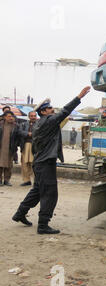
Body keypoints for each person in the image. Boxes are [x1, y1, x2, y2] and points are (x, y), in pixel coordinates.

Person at [12, 87, 91, 233]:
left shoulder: (38, 123)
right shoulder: (47, 121)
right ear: (42, 112)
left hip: (40, 162)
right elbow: (65, 111)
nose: (51, 109)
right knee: (50, 193)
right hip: (45, 163)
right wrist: (79, 97)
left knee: (37, 191)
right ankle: (43, 225)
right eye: (48, 108)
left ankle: (20, 213)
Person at [0, 111, 22, 186]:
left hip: (11, 148)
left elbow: (18, 136)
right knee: (0, 165)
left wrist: (16, 145)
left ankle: (6, 180)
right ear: (4, 117)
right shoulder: (0, 125)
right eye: (9, 116)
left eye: (11, 116)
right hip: (1, 148)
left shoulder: (15, 126)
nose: (11, 118)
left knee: (9, 166)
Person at [19, 111, 37, 186]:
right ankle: (27, 180)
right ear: (29, 117)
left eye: (34, 116)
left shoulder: (39, 124)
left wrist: (32, 134)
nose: (33, 117)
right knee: (24, 163)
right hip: (25, 145)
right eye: (31, 116)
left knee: (34, 164)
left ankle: (36, 181)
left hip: (35, 146)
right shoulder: (23, 124)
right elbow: (19, 132)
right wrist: (27, 134)